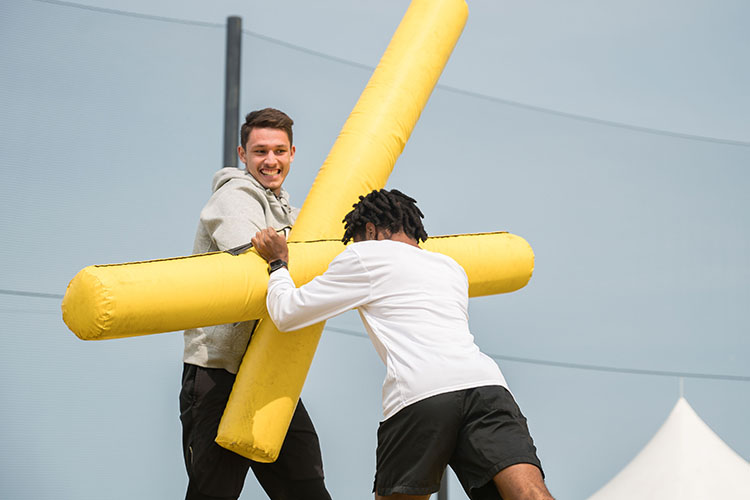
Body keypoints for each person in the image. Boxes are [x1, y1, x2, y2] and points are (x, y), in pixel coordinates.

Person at [251, 189, 555, 500]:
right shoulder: (451, 267)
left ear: (370, 230)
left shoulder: (363, 255)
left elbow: (287, 313)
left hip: (420, 390)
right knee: (528, 492)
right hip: (486, 386)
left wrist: (278, 263)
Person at [180, 108, 332, 500]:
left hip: (269, 369)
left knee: (308, 489)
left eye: (279, 151)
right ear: (242, 154)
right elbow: (254, 251)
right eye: (260, 151)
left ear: (293, 153)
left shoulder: (291, 212)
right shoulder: (233, 196)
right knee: (213, 491)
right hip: (219, 371)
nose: (270, 161)